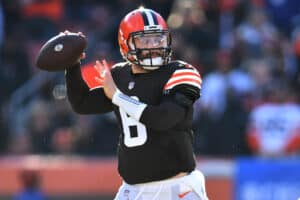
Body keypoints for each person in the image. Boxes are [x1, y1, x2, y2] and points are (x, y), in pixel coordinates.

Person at [65, 7, 209, 200]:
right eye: (145, 40)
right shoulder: (120, 75)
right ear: (126, 43)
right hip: (132, 191)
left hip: (177, 188)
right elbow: (82, 104)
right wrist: (72, 64)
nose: (154, 46)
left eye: (158, 39)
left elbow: (164, 119)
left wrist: (117, 97)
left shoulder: (181, 72)